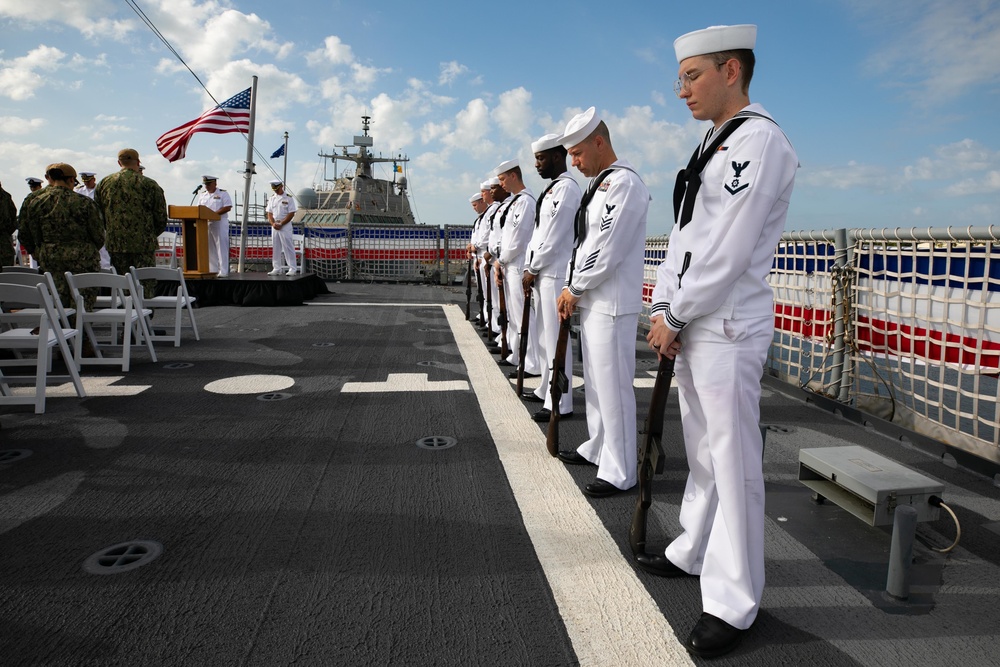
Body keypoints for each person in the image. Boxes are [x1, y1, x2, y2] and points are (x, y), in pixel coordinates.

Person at [643, 25, 799, 659]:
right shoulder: (716, 140)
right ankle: (695, 547)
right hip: (697, 319)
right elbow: (687, 237)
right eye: (680, 77)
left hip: (726, 325)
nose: (680, 89)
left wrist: (674, 315)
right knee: (705, 449)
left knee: (732, 462)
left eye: (692, 76)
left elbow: (728, 250)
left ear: (731, 71)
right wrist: (664, 306)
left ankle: (734, 602)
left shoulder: (757, 142)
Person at [554, 107, 649, 498]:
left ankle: (622, 468)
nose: (573, 163)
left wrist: (574, 288)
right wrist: (572, 286)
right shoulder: (600, 186)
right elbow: (583, 244)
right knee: (595, 385)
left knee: (614, 389)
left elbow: (607, 248)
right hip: (594, 300)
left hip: (610, 302)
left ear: (599, 142)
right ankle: (599, 446)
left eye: (577, 154)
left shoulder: (623, 184)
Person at [522, 133, 581, 421]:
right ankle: (547, 388)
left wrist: (532, 268)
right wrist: (530, 267)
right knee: (546, 338)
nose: (536, 164)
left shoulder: (567, 189)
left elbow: (555, 237)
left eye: (541, 158)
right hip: (543, 273)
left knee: (557, 340)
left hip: (555, 273)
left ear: (558, 157)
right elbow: (538, 236)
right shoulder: (552, 190)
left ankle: (561, 401)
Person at [16, 163, 103, 312]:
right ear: (71, 180)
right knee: (82, 304)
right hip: (83, 261)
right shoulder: (84, 203)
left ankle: (61, 333)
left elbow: (25, 234)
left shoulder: (36, 202)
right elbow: (99, 235)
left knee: (57, 305)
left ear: (49, 178)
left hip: (51, 260)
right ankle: (81, 333)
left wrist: (40, 251)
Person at [95, 148, 168, 297]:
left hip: (116, 243)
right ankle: (145, 316)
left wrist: (112, 231)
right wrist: (149, 234)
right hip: (143, 244)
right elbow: (160, 217)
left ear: (119, 162)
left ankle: (125, 317)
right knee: (145, 283)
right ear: (138, 162)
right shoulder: (149, 184)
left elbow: (99, 214)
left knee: (122, 283)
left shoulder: (104, 184)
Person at [493, 159, 540, 377]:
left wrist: (501, 259)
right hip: (509, 264)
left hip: (517, 264)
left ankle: (530, 362)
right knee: (513, 314)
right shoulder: (515, 201)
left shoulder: (525, 202)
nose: (501, 183)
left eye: (503, 179)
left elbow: (518, 240)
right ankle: (518, 355)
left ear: (514, 176)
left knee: (523, 316)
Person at [197, 175, 233, 276]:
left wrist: (213, 214)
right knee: (210, 247)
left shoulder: (223, 193)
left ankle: (224, 271)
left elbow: (228, 207)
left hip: (219, 222)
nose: (207, 186)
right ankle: (213, 270)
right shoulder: (202, 195)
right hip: (206, 223)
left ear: (215, 183)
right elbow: (198, 209)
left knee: (221, 247)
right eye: (205, 184)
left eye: (209, 184)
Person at [266, 180, 298, 276]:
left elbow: (291, 213)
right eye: (274, 189)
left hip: (285, 225)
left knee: (288, 247)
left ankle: (292, 268)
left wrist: (282, 223)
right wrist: (273, 224)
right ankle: (276, 268)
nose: (275, 191)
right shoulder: (272, 198)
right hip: (275, 225)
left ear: (281, 186)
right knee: (276, 247)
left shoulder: (288, 198)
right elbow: (269, 213)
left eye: (277, 189)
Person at [466, 191, 488, 324]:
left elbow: (486, 237)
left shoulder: (488, 216)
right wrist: (471, 250)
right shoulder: (480, 218)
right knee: (482, 290)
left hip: (485, 256)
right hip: (478, 256)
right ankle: (484, 314)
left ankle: (491, 321)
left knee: (489, 292)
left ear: (481, 201)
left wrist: (475, 247)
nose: (474, 208)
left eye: (475, 205)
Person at [0, 180, 17, 267]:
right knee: (6, 278)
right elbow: (13, 223)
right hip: (5, 247)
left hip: (5, 246)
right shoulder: (6, 197)